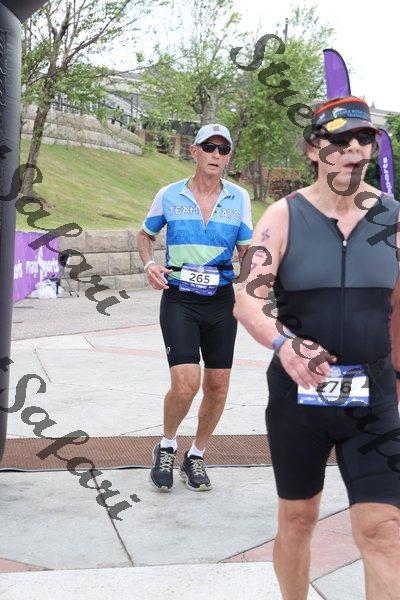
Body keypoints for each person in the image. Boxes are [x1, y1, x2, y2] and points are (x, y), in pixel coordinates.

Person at [233, 96, 400, 600]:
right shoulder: (283, 216)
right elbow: (248, 297)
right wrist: (286, 344)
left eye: (364, 139)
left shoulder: (392, 218)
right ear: (313, 149)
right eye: (340, 140)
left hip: (374, 400)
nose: (355, 149)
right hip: (299, 398)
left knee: (383, 530)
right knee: (298, 520)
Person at [138, 123, 252, 492]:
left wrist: (248, 282)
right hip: (180, 299)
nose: (216, 155)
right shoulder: (169, 194)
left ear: (228, 157)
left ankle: (196, 455)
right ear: (195, 151)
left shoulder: (239, 198)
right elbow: (145, 235)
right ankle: (167, 446)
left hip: (221, 301)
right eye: (209, 147)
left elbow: (247, 250)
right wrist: (149, 264)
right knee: (186, 384)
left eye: (223, 149)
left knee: (218, 386)